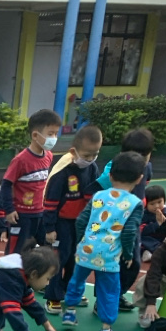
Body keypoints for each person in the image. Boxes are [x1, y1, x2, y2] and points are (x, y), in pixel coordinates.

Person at [62, 150, 146, 331]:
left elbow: (81, 221)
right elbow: (129, 233)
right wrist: (128, 254)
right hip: (109, 256)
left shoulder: (99, 195)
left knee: (77, 280)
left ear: (111, 175)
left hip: (86, 249)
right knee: (109, 291)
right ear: (139, 178)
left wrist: (82, 241)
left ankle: (70, 312)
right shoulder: (134, 203)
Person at [41, 123, 102, 314]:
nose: (90, 159)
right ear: (73, 151)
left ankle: (69, 290)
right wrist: (50, 228)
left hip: (81, 224)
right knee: (59, 258)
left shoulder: (92, 168)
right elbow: (50, 202)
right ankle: (53, 296)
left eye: (95, 154)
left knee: (76, 259)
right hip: (61, 224)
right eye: (86, 155)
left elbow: (95, 195)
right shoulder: (62, 173)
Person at [95, 127, 154, 311]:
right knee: (109, 262)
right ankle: (102, 300)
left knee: (133, 263)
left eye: (144, 155)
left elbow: (143, 189)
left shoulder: (147, 168)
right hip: (113, 225)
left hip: (133, 225)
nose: (140, 160)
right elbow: (97, 188)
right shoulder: (114, 167)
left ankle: (117, 294)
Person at [0, 108, 63, 254]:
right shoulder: (21, 160)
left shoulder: (48, 156)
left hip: (40, 213)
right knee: (17, 250)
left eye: (56, 133)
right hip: (22, 215)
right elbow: (6, 185)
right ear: (35, 135)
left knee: (44, 249)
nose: (54, 138)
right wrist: (9, 210)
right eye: (50, 134)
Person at [130, 237, 166, 329]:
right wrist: (151, 303)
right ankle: (145, 311)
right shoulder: (160, 251)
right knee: (144, 281)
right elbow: (153, 276)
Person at [140, 185, 166, 261]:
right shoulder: (144, 215)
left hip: (162, 238)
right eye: (152, 204)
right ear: (146, 205)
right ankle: (148, 253)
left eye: (159, 202)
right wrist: (157, 224)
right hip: (151, 240)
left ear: (164, 200)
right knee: (141, 238)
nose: (156, 206)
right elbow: (143, 231)